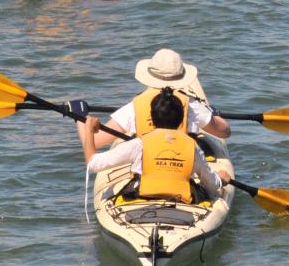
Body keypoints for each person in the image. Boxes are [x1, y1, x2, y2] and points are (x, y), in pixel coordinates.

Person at [77, 87, 230, 204]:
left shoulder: (138, 145)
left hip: (143, 196)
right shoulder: (192, 147)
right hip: (182, 199)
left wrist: (88, 128)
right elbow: (211, 183)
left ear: (152, 118)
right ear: (181, 120)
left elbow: (92, 163)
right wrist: (221, 179)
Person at [88, 48, 232, 149]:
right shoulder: (192, 106)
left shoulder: (134, 108)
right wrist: (212, 114)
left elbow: (94, 141)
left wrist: (83, 122)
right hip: (183, 168)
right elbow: (224, 132)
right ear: (181, 78)